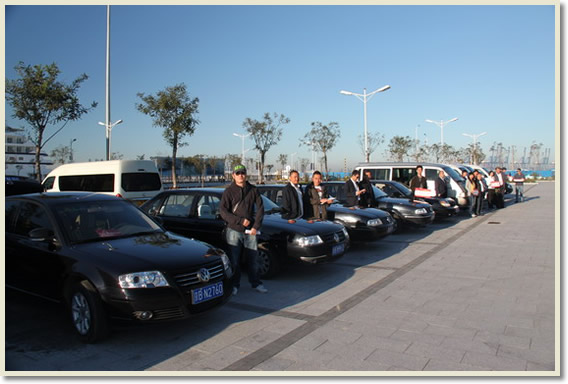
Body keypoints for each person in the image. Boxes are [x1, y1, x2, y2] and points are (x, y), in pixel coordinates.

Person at [219, 164, 268, 295]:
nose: (241, 175)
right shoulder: (228, 192)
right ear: (233, 175)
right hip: (233, 231)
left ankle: (256, 283)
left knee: (253, 259)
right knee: (234, 260)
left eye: (243, 173)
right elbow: (223, 212)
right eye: (238, 173)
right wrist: (240, 221)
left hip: (250, 231)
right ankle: (235, 285)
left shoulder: (253, 190)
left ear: (246, 175)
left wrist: (256, 226)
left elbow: (260, 209)